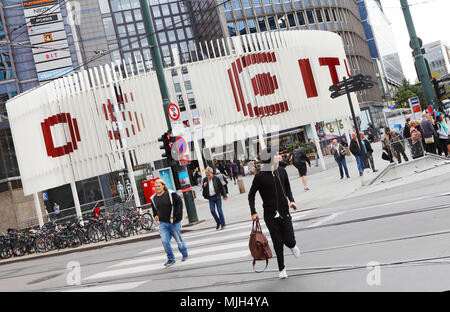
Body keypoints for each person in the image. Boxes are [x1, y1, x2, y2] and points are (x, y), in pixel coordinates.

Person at [248, 148, 300, 279]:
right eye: (276, 155)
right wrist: (253, 212)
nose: (279, 156)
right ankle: (282, 269)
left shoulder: (282, 171)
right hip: (270, 215)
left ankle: (292, 245)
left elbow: (287, 187)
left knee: (289, 239)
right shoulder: (260, 176)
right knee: (277, 242)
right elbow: (251, 195)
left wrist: (292, 200)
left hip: (284, 211)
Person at [150, 179, 188, 267]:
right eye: (155, 186)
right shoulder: (153, 198)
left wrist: (177, 217)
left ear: (163, 186)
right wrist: (155, 215)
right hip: (163, 223)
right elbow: (154, 210)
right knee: (164, 241)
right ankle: (171, 259)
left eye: (158, 186)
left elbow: (179, 204)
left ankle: (184, 254)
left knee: (178, 240)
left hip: (173, 222)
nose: (157, 188)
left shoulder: (171, 194)